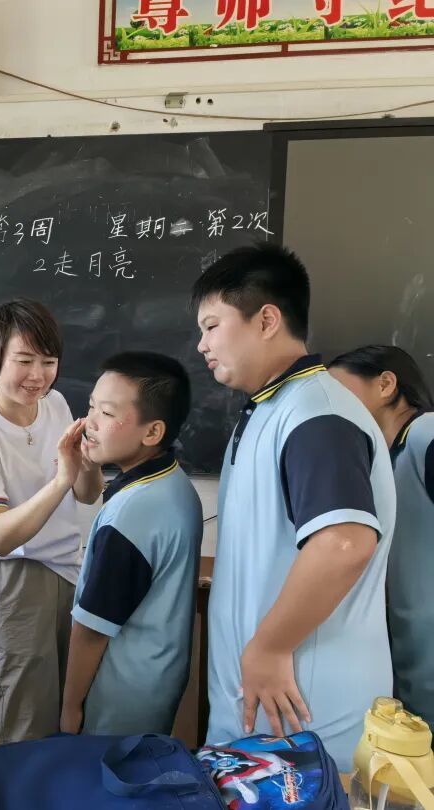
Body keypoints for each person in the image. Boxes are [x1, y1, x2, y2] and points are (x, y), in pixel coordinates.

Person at [193, 244, 396, 770]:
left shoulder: (316, 413)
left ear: (266, 320)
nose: (202, 344)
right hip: (270, 712)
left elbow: (345, 542)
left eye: (212, 326)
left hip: (306, 711)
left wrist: (270, 646)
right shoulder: (273, 407)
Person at [0, 298, 103, 744]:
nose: (38, 375)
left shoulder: (56, 404)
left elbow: (87, 493)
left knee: (70, 705)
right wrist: (61, 478)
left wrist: (88, 459)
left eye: (49, 362)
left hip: (67, 566)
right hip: (10, 573)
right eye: (24, 360)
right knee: (26, 712)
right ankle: (18, 781)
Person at [60, 352, 202, 736]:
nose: (89, 422)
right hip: (154, 680)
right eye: (91, 406)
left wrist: (70, 707)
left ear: (152, 432)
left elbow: (92, 628)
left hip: (118, 695)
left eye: (106, 413)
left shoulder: (132, 512)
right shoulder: (173, 482)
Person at [329, 345, 434, 722]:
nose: (331, 404)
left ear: (386, 384)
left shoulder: (426, 432)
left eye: (340, 391)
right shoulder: (384, 459)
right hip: (415, 660)